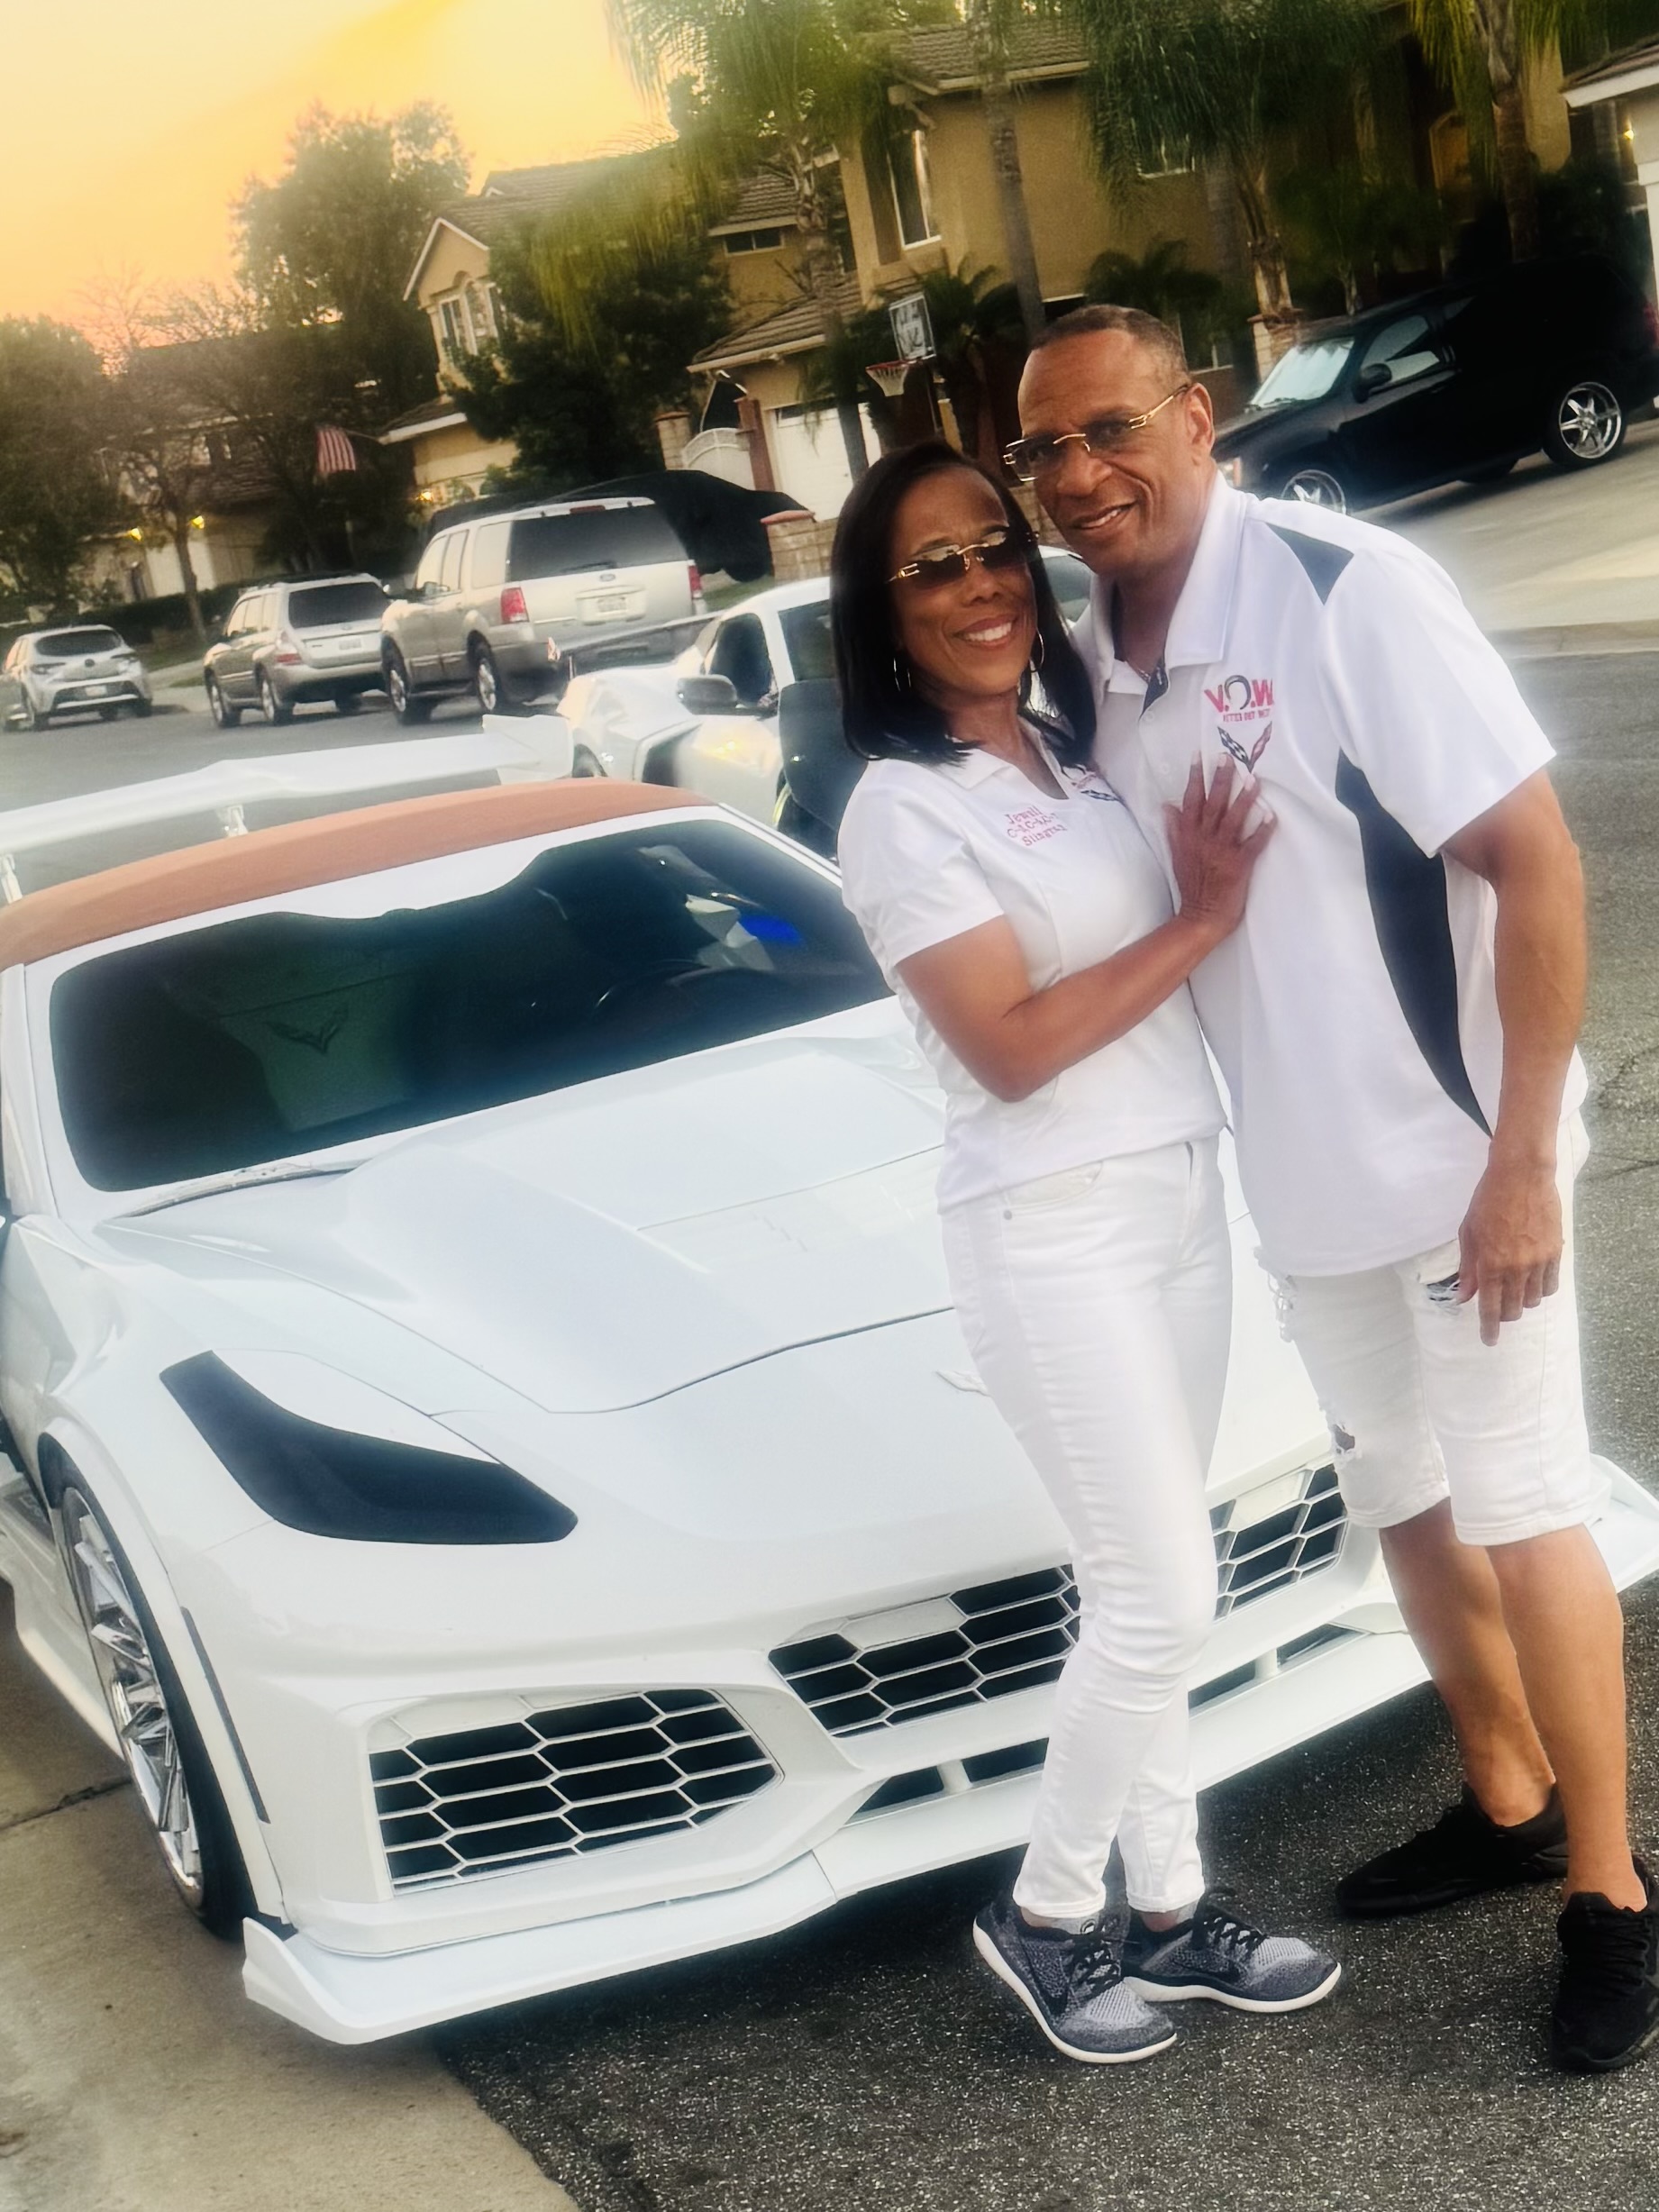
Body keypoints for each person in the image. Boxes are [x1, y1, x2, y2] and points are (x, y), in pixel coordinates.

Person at [1013, 302, 1656, 2074]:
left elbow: (1535, 862)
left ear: (1196, 417)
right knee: (1403, 1500)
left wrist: (1519, 1158)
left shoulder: (1342, 590)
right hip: (1302, 1185)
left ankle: (1611, 1893)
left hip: (1458, 1166)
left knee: (1526, 1506)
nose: (1079, 473)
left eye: (1110, 428)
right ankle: (1508, 1794)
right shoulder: (1093, 661)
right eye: (1044, 447)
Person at [830, 439, 1340, 2066]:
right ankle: (1047, 1914)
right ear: (881, 612)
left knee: (1147, 1589)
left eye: (992, 546)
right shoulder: (901, 809)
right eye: (932, 566)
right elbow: (1008, 1045)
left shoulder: (1069, 752)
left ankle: (1172, 1912)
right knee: (1158, 1591)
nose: (980, 583)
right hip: (1048, 1227)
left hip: (1176, 1194)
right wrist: (1198, 919)